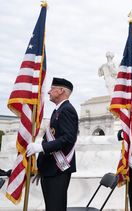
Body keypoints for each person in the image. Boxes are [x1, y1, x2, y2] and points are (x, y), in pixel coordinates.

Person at [26, 78, 78, 211]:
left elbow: (68, 138)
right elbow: (49, 139)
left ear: (61, 91)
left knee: (56, 207)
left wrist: (41, 148)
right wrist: (41, 166)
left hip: (58, 169)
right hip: (50, 169)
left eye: (52, 88)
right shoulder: (57, 111)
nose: (48, 92)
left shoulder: (67, 110)